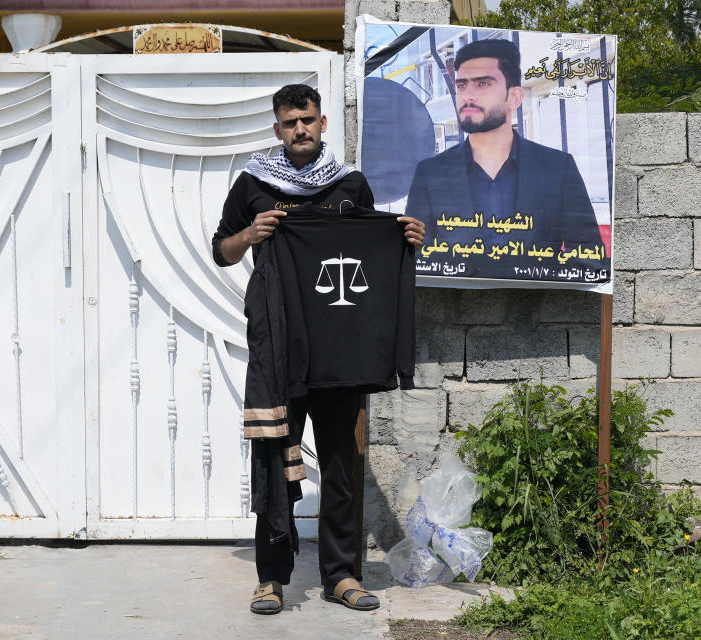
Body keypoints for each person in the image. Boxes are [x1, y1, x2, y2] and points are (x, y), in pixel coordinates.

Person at [211, 84, 425, 615]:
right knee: (273, 458)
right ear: (277, 128)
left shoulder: (349, 183)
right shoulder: (254, 184)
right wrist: (251, 235)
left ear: (323, 123)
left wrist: (405, 239)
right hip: (282, 343)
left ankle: (341, 575)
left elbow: (372, 251)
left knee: (340, 464)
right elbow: (221, 249)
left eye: (306, 120)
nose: (299, 130)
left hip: (340, 348)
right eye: (289, 122)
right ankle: (271, 577)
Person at [405, 38, 603, 261]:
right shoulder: (430, 174)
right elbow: (416, 259)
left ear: (514, 97)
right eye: (462, 85)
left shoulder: (558, 169)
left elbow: (590, 258)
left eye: (483, 84)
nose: (468, 95)